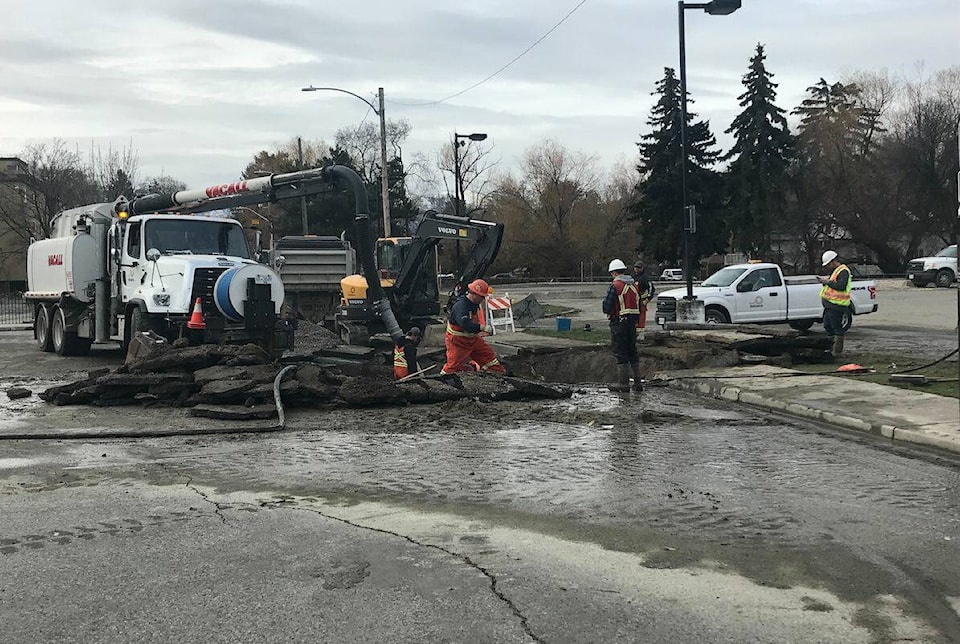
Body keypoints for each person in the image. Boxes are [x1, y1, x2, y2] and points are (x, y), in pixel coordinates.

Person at [440, 279, 506, 375]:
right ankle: (442, 382)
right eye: (481, 297)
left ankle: (499, 375)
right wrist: (482, 328)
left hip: (472, 339)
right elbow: (465, 324)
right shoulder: (461, 306)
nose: (482, 300)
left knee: (489, 357)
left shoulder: (473, 304)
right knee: (453, 366)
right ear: (474, 294)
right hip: (458, 341)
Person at [603, 259, 642, 392]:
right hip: (632, 323)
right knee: (632, 351)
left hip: (618, 322)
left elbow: (607, 307)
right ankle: (637, 383)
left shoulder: (615, 286)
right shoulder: (634, 285)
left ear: (614, 272)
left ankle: (623, 384)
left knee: (620, 352)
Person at [819, 250, 852, 356]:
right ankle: (830, 348)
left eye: (828, 264)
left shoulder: (843, 271)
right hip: (830, 305)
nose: (828, 266)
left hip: (837, 305)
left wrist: (828, 282)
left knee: (837, 328)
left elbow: (841, 286)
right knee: (828, 326)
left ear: (834, 261)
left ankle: (836, 352)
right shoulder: (836, 271)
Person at [632, 260, 655, 340]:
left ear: (642, 268)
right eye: (636, 267)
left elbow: (651, 289)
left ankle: (641, 335)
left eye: (639, 267)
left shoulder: (645, 278)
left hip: (642, 302)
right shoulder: (633, 278)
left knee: (641, 319)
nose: (637, 269)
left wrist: (647, 300)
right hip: (634, 303)